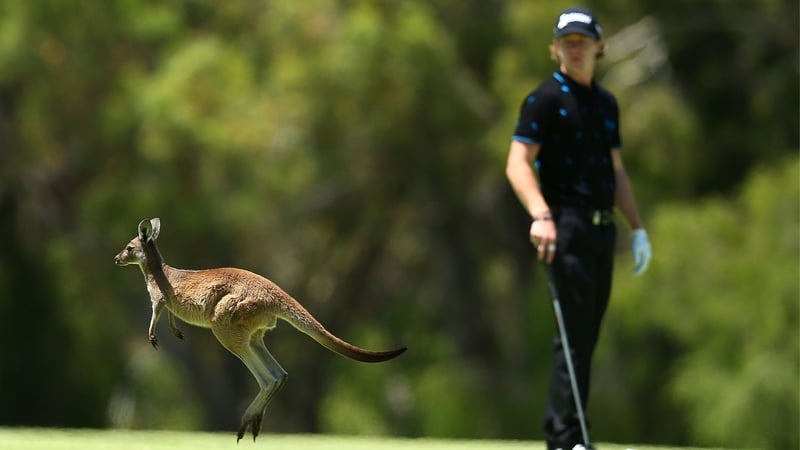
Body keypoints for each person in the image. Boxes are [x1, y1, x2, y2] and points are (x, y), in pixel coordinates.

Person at [505, 7, 652, 450]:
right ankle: (567, 438)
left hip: (602, 230)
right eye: (567, 42)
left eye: (582, 41)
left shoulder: (606, 104)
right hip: (563, 226)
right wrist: (541, 215)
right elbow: (517, 164)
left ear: (598, 48)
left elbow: (617, 173)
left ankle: (570, 435)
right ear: (555, 50)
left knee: (586, 333)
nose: (575, 48)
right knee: (571, 332)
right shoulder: (544, 99)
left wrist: (638, 227)